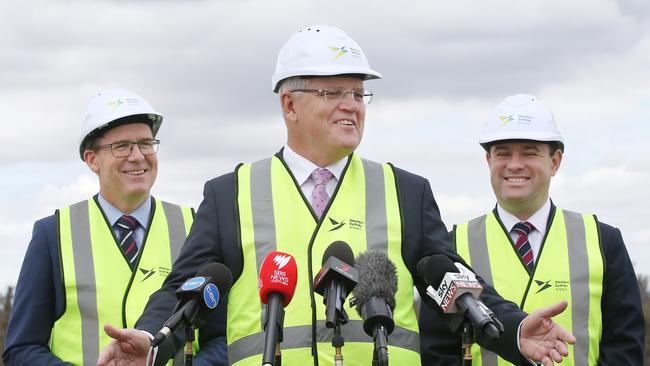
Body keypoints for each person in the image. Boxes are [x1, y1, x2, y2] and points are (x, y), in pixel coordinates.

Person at [98, 26, 575, 366]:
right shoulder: (230, 194)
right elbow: (184, 290)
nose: (351, 105)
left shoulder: (406, 191)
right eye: (333, 92)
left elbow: (454, 283)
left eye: (358, 93)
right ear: (289, 104)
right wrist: (150, 340)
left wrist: (512, 331)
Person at [420, 94, 644, 365]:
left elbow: (624, 347)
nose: (515, 164)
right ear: (488, 160)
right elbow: (438, 352)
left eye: (529, 152)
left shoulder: (603, 242)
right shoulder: (452, 247)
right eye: (503, 153)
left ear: (555, 161)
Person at [2, 89, 222, 365]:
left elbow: (222, 339)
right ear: (92, 159)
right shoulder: (53, 234)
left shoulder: (195, 227)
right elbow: (21, 349)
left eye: (146, 143)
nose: (138, 156)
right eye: (122, 146)